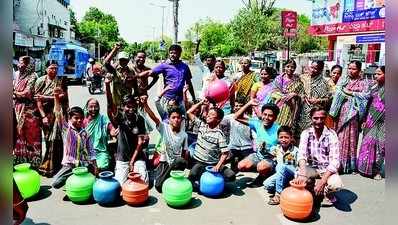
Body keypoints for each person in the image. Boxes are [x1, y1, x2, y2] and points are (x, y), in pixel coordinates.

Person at [105, 75, 148, 185]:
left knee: (144, 183)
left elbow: (140, 143)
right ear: (123, 107)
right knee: (119, 185)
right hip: (122, 158)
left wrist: (132, 162)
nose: (131, 109)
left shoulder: (140, 120)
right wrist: (107, 85)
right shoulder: (119, 118)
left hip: (137, 157)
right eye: (128, 106)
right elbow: (110, 105)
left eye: (133, 106)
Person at [296, 106, 343, 206]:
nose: (319, 121)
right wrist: (303, 173)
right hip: (312, 167)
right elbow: (301, 154)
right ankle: (312, 190)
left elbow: (335, 161)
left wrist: (323, 181)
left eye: (322, 118)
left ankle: (327, 193)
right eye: (315, 118)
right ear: (311, 118)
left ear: (325, 118)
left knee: (336, 184)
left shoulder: (331, 135)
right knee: (300, 177)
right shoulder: (306, 133)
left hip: (326, 169)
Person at [329, 60, 370, 174]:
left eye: (353, 69)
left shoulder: (363, 83)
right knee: (339, 138)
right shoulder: (343, 80)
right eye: (349, 68)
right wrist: (343, 93)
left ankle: (349, 165)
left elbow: (366, 96)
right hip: (341, 115)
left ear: (359, 70)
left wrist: (351, 93)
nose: (351, 71)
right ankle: (337, 164)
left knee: (351, 139)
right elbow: (337, 93)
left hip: (353, 116)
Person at [51, 87, 97, 188]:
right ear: (70, 118)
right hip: (70, 164)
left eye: (81, 118)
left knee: (94, 181)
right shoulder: (66, 129)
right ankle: (71, 176)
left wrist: (95, 166)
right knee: (55, 183)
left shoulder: (86, 133)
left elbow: (91, 151)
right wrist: (56, 97)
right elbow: (58, 113)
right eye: (76, 118)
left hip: (83, 164)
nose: (79, 120)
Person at [186, 99, 235, 189]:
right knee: (192, 175)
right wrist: (201, 103)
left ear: (218, 119)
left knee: (231, 176)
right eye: (208, 113)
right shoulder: (201, 125)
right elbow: (189, 112)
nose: (208, 115)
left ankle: (217, 180)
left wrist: (217, 166)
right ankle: (202, 178)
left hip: (213, 163)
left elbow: (225, 153)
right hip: (198, 162)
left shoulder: (219, 134)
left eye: (212, 115)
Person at [142, 98, 188, 192]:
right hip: (165, 163)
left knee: (181, 160)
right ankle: (168, 177)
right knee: (159, 187)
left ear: (181, 119)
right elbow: (154, 117)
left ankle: (174, 178)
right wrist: (145, 104)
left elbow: (184, 153)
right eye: (173, 117)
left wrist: (181, 171)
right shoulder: (164, 128)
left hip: (176, 164)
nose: (176, 120)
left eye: (178, 117)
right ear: (169, 119)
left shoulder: (184, 135)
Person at [138, 44, 196, 113]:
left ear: (179, 54)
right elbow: (149, 73)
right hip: (167, 99)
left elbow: (189, 82)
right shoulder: (164, 65)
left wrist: (193, 97)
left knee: (181, 120)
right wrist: (135, 76)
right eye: (171, 53)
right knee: (166, 120)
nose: (172, 55)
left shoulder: (185, 67)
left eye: (175, 53)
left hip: (180, 100)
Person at [235, 100, 280, 187]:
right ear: (262, 114)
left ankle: (264, 175)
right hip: (258, 156)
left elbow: (287, 146)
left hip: (271, 159)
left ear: (275, 118)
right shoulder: (258, 124)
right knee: (241, 166)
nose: (266, 117)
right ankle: (263, 172)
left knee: (261, 167)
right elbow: (236, 117)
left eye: (270, 116)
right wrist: (248, 103)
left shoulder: (279, 129)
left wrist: (273, 150)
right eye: (265, 114)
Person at [35, 61, 69, 177]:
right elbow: (38, 100)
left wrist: (45, 97)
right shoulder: (40, 81)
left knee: (59, 139)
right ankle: (48, 166)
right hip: (47, 114)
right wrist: (43, 116)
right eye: (51, 68)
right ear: (46, 69)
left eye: (56, 68)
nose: (54, 70)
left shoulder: (61, 81)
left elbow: (62, 96)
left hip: (58, 113)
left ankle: (59, 165)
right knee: (49, 140)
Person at [13, 56, 42, 169]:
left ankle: (34, 162)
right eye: (19, 63)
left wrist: (15, 92)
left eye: (23, 63)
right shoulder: (18, 76)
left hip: (30, 111)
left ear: (29, 65)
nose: (20, 66)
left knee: (32, 135)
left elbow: (27, 93)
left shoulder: (32, 76)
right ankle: (21, 160)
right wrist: (16, 93)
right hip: (18, 108)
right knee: (19, 134)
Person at [357, 66, 385, 180]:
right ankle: (364, 168)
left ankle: (376, 170)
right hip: (371, 119)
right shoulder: (373, 88)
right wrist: (363, 119)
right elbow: (368, 104)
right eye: (375, 74)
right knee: (368, 143)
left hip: (385, 121)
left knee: (381, 145)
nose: (375, 76)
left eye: (379, 73)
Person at [263, 126, 298, 205]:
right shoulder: (276, 149)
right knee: (267, 185)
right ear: (278, 138)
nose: (283, 140)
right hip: (280, 174)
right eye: (281, 137)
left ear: (291, 138)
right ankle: (286, 187)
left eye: (286, 137)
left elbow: (300, 166)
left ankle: (278, 194)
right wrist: (263, 148)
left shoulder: (296, 151)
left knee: (282, 166)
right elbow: (267, 152)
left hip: (292, 174)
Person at [271, 59, 304, 137]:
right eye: (288, 66)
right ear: (284, 67)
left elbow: (302, 95)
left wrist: (295, 94)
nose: (290, 69)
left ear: (295, 68)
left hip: (293, 109)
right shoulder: (279, 79)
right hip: (280, 106)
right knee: (278, 126)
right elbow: (273, 92)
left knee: (289, 128)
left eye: (292, 67)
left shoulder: (298, 80)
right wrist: (285, 97)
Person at [298, 60, 332, 135]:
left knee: (315, 133)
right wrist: (302, 96)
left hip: (317, 113)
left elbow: (328, 99)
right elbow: (298, 90)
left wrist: (318, 100)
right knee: (303, 134)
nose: (312, 70)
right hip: (303, 111)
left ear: (320, 70)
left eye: (315, 68)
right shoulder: (303, 78)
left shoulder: (324, 83)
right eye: (311, 67)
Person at [221, 96, 254, 173]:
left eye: (240, 105)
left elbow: (255, 136)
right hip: (233, 147)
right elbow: (219, 119)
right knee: (223, 159)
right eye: (236, 106)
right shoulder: (230, 117)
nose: (238, 107)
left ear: (244, 107)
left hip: (247, 148)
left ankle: (238, 161)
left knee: (248, 166)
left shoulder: (250, 119)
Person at [83, 98, 116, 172]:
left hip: (101, 152)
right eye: (91, 107)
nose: (93, 109)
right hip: (87, 152)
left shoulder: (103, 118)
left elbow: (111, 127)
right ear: (87, 108)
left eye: (96, 106)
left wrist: (113, 132)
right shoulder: (83, 121)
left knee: (102, 166)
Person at [103, 43, 135, 109]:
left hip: (128, 104)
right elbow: (106, 63)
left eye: (125, 60)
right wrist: (115, 49)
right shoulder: (114, 71)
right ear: (118, 60)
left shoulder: (131, 71)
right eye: (121, 60)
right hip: (116, 103)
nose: (123, 61)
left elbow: (135, 87)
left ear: (128, 60)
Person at [325, 65, 343, 129]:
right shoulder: (326, 84)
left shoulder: (342, 85)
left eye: (338, 74)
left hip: (339, 112)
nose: (335, 75)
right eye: (334, 73)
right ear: (330, 73)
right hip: (327, 110)